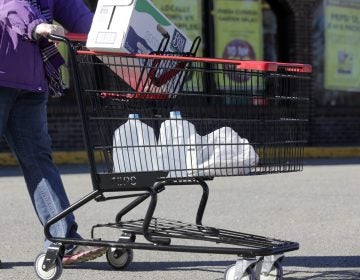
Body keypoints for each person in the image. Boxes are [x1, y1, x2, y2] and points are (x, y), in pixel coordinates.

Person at [0, 0, 106, 266]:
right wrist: (36, 25)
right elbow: (12, 5)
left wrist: (108, 36)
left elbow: (76, 12)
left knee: (39, 159)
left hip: (33, 81)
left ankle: (64, 241)